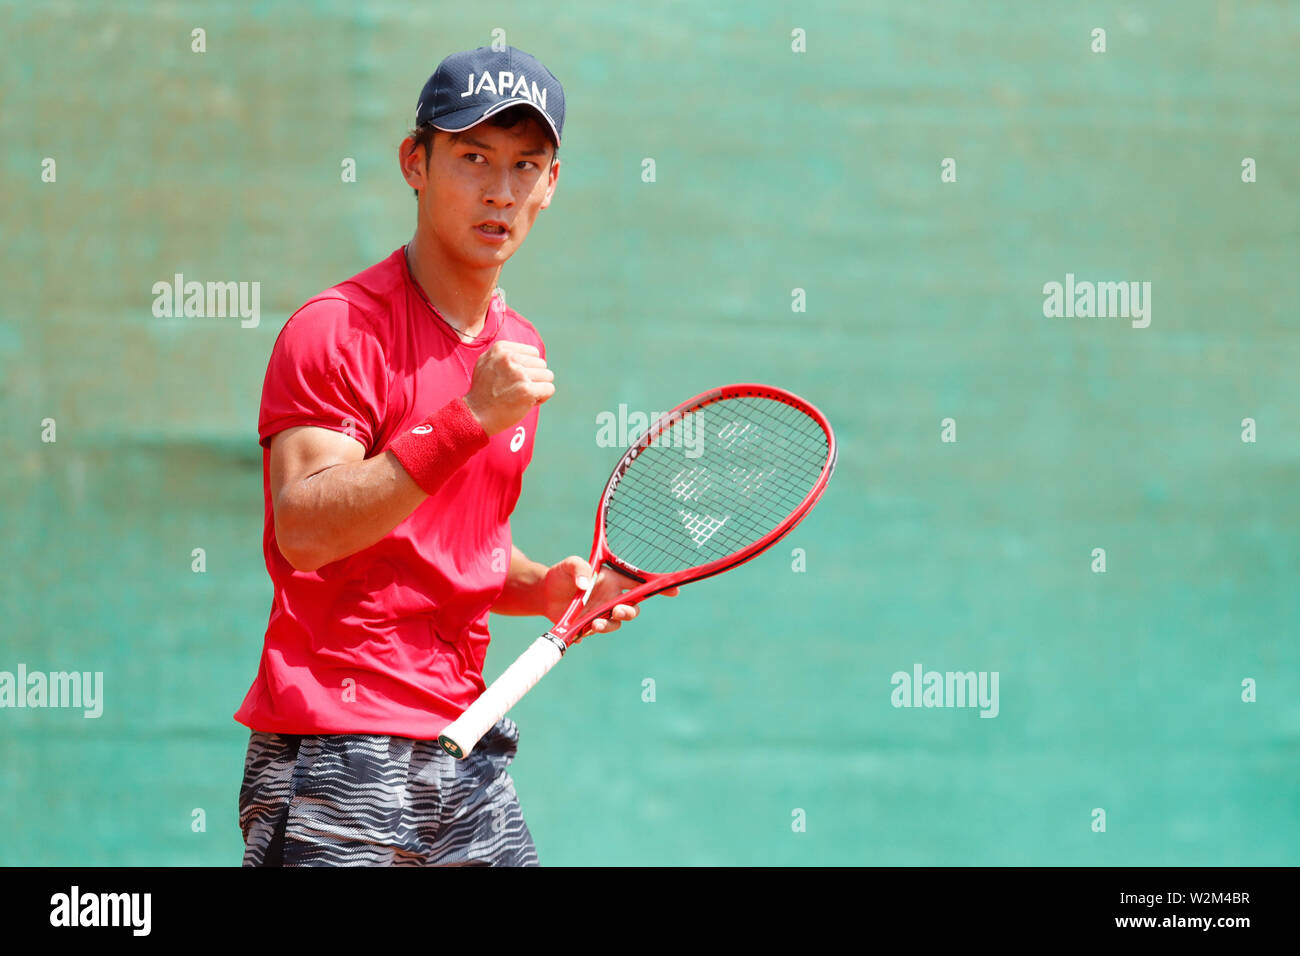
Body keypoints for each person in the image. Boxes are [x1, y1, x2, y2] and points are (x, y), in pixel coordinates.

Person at [234, 46, 664, 866]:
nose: (500, 190)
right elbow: (306, 528)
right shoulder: (336, 331)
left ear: (551, 186)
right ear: (415, 163)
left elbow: (448, 541)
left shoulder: (518, 350)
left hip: (463, 745)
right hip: (336, 742)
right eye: (473, 159)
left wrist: (543, 588)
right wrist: (469, 417)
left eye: (525, 166)